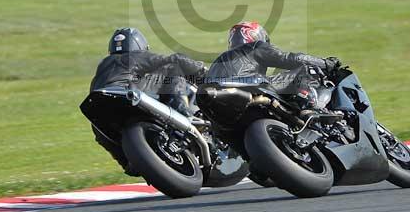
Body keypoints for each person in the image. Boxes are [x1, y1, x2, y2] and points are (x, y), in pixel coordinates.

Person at [82, 27, 207, 173]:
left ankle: (127, 162)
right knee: (173, 68)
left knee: (99, 130)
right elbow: (175, 59)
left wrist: (125, 161)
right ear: (140, 46)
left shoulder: (102, 69)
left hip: (101, 109)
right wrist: (203, 73)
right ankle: (184, 115)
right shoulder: (134, 57)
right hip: (129, 95)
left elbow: (101, 136)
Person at [206, 21, 340, 112]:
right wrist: (326, 64)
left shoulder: (217, 63)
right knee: (305, 69)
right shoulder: (254, 47)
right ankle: (310, 104)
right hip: (250, 88)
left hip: (219, 107)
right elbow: (291, 59)